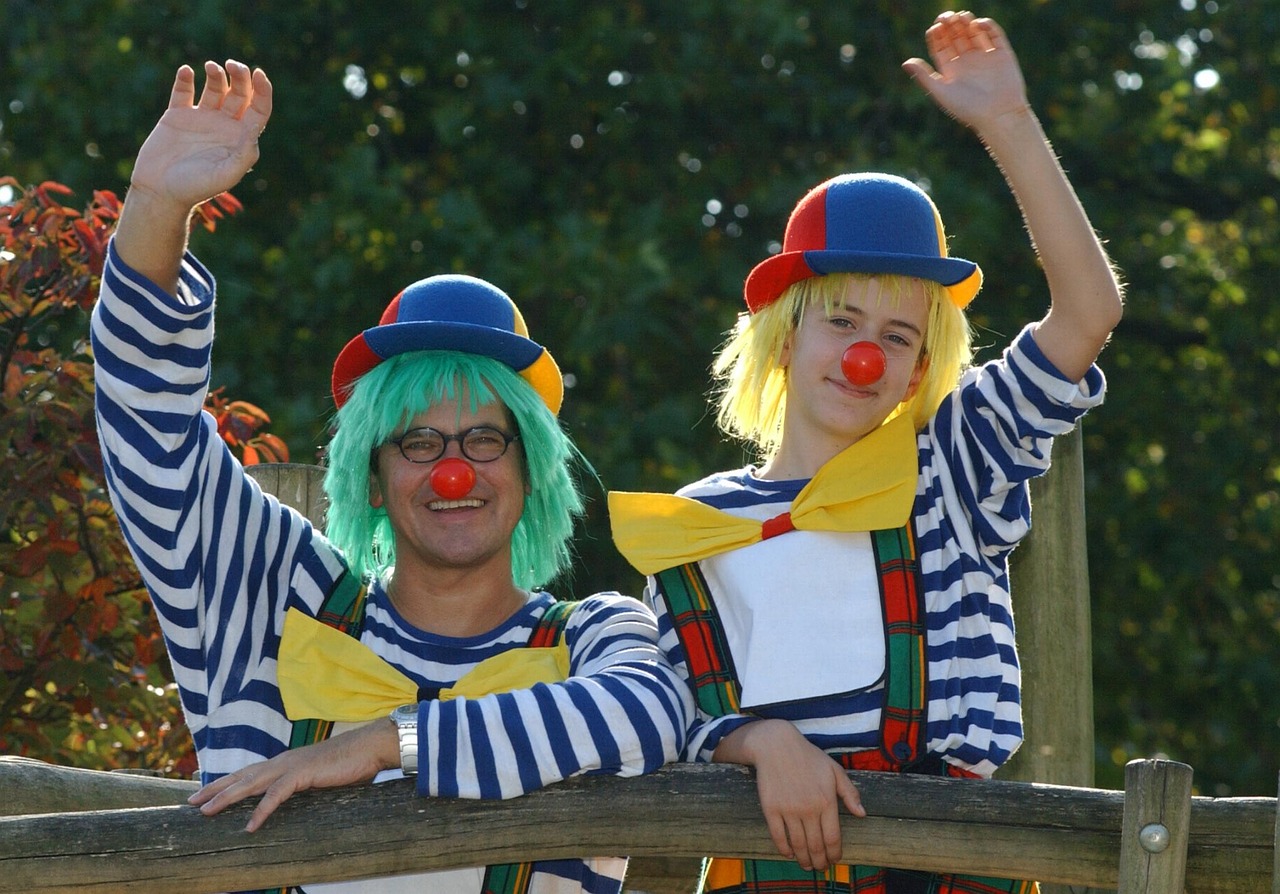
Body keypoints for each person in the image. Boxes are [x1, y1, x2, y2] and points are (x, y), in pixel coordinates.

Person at [92, 58, 692, 894]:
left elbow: (651, 714)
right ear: (372, 477)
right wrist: (158, 206)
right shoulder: (277, 602)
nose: (453, 472)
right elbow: (150, 436)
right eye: (418, 442)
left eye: (486, 439)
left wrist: (386, 743)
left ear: (532, 472)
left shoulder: (596, 635)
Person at [608, 11, 1123, 893]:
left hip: (952, 856)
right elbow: (667, 713)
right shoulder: (692, 524)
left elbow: (1088, 313)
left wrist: (1008, 125)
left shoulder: (952, 465)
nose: (864, 357)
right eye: (841, 322)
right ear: (784, 338)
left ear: (921, 367)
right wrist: (760, 740)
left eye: (895, 336)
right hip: (760, 868)